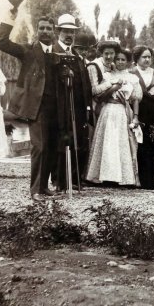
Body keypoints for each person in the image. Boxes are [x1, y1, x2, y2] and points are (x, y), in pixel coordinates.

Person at [0, 0, 59, 199]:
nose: (46, 31)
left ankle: (44, 187)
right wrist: (12, 13)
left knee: (50, 147)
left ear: (54, 31)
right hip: (36, 107)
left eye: (49, 28)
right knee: (39, 147)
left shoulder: (58, 54)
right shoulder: (28, 51)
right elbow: (1, 42)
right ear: (37, 30)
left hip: (55, 106)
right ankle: (35, 190)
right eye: (42, 28)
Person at [50, 14, 94, 191]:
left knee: (78, 139)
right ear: (59, 31)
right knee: (61, 140)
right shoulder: (52, 53)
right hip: (59, 106)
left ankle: (75, 178)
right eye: (65, 31)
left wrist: (88, 105)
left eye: (72, 32)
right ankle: (59, 180)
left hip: (78, 106)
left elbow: (86, 84)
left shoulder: (77, 56)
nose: (69, 35)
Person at [86, 50, 142, 185]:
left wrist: (135, 117)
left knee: (121, 142)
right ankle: (104, 176)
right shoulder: (107, 76)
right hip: (108, 110)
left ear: (128, 62)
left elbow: (135, 100)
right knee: (108, 141)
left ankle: (122, 177)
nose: (120, 62)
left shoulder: (133, 78)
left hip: (123, 112)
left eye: (123, 60)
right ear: (114, 61)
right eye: (118, 59)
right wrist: (113, 87)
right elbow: (100, 97)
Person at [131, 45, 154, 188]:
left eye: (149, 57)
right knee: (140, 144)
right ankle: (141, 180)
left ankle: (153, 181)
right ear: (137, 59)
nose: (147, 59)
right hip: (138, 109)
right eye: (143, 57)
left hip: (153, 110)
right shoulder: (131, 73)